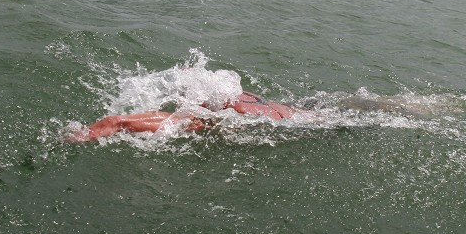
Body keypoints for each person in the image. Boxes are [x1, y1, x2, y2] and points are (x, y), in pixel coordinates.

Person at [64, 91, 295, 142]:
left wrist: (67, 141)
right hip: (296, 115)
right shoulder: (247, 99)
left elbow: (114, 122)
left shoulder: (195, 120)